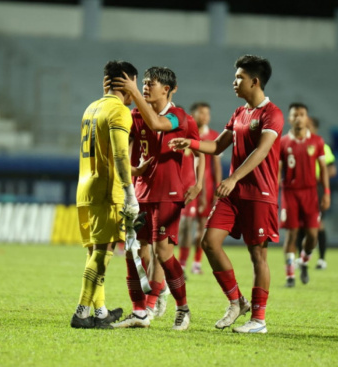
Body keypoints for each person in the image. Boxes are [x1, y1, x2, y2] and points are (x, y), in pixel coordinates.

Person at [169, 54, 283, 333]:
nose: (234, 81)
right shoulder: (239, 113)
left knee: (258, 256)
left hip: (259, 192)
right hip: (233, 194)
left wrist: (232, 177)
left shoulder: (272, 114)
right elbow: (218, 146)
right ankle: (236, 301)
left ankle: (259, 320)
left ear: (255, 81)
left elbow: (262, 150)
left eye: (239, 77)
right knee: (209, 242)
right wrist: (192, 142)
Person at [110, 66, 204, 330]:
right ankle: (140, 311)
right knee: (134, 252)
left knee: (163, 252)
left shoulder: (179, 117)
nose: (145, 87)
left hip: (168, 195)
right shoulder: (135, 115)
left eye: (151, 83)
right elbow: (122, 151)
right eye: (144, 83)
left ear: (167, 89)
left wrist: (198, 184)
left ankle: (182, 309)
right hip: (140, 194)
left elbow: (197, 150)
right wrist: (133, 170)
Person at [71, 60, 140, 329]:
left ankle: (100, 313)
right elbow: (121, 154)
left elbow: (105, 154)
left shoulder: (91, 108)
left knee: (94, 253)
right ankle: (81, 312)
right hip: (106, 192)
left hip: (85, 188)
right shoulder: (120, 112)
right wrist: (129, 191)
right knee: (103, 253)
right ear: (127, 83)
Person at [278, 103, 331, 288]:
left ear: (307, 118)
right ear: (290, 118)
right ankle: (290, 276)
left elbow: (324, 168)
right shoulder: (283, 142)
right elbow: (278, 170)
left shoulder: (317, 141)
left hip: (310, 193)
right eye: (295, 115)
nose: (299, 117)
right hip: (290, 193)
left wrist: (326, 192)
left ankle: (304, 261)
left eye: (302, 114)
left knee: (312, 236)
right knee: (291, 234)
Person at [178, 102, 222, 276]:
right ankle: (181, 264)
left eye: (207, 113)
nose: (205, 116)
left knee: (202, 228)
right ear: (193, 114)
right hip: (187, 187)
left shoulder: (213, 136)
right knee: (185, 227)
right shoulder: (185, 135)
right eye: (201, 113)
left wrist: (217, 188)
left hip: (207, 188)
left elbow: (216, 166)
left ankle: (196, 263)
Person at [294, 117, 336, 270]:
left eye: (309, 126)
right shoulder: (297, 145)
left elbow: (332, 170)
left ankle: (322, 259)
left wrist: (316, 178)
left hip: (315, 189)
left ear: (315, 128)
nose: (306, 128)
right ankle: (301, 258)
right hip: (298, 189)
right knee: (298, 225)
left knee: (318, 225)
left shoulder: (322, 147)